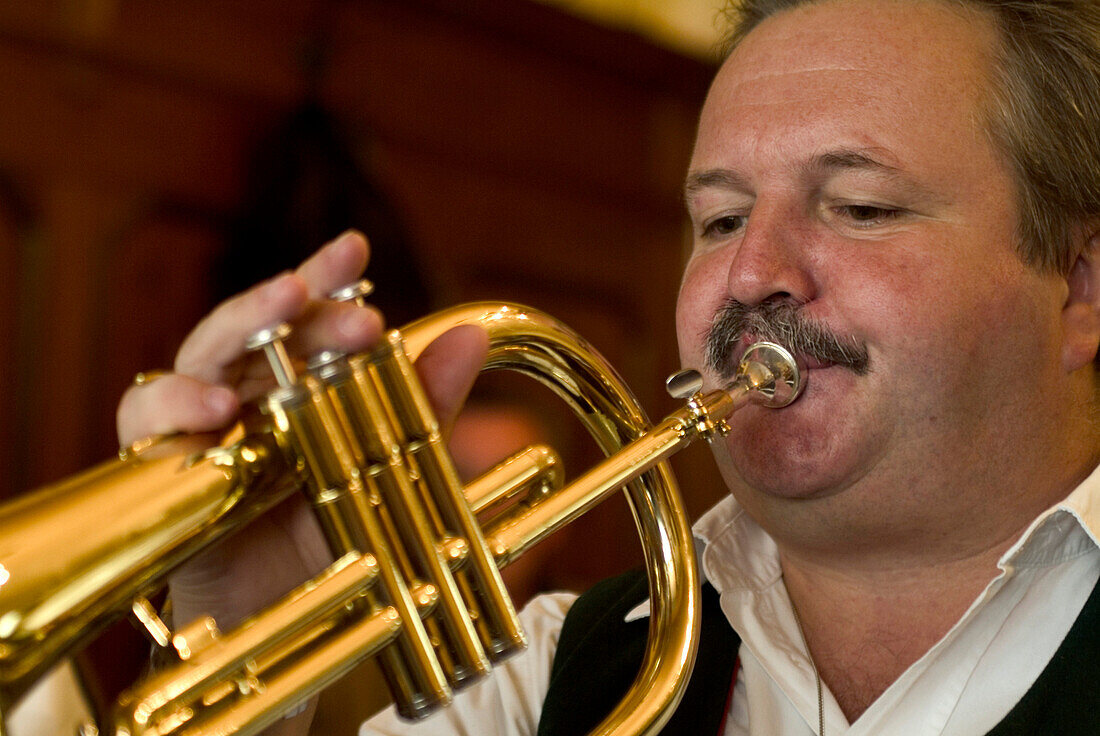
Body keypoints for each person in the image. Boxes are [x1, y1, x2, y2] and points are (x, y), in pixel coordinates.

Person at [116, 0, 1100, 734]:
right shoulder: (545, 675)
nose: (747, 274)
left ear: (1077, 284)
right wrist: (243, 644)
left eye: (857, 206)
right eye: (716, 219)